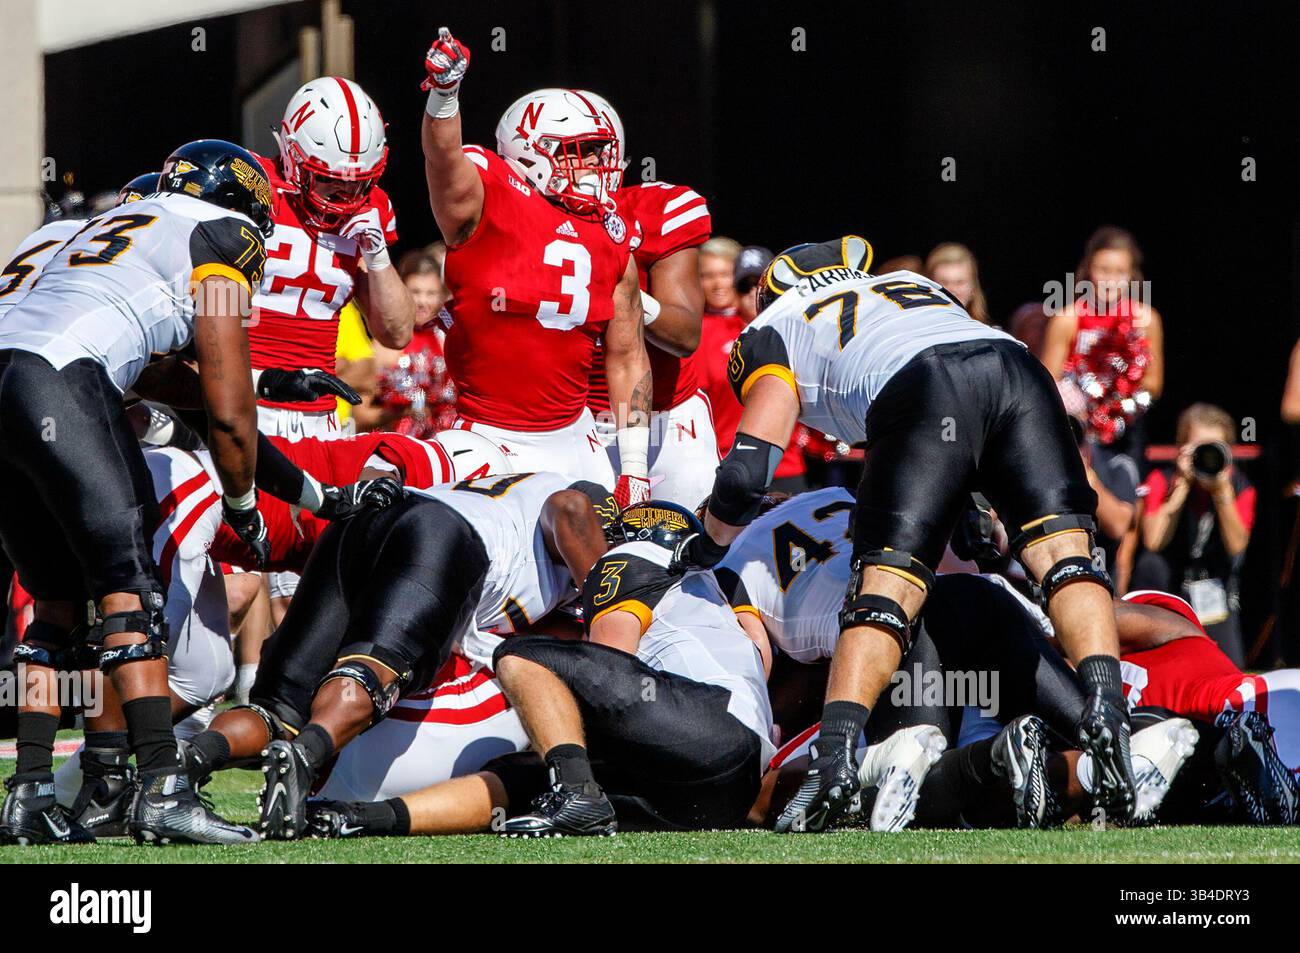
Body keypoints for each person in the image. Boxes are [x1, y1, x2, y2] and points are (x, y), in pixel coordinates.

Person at [680, 235, 1136, 831]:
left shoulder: (775, 324)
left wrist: (707, 544)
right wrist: (970, 494)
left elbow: (746, 475)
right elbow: (968, 373)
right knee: (1066, 556)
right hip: (1016, 366)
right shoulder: (915, 286)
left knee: (886, 587)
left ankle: (835, 764)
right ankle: (1109, 719)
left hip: (921, 386)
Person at [0, 140, 275, 845]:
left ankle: (28, 792)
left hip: (16, 373)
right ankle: (162, 787)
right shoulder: (222, 234)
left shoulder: (72, 229)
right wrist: (245, 504)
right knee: (127, 587)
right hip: (59, 376)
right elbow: (227, 406)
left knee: (52, 601)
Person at [421, 28, 652, 503]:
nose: (595, 163)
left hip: (575, 437)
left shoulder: (610, 232)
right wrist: (445, 95)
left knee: (602, 572)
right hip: (487, 434)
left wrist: (634, 466)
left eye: (600, 151)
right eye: (582, 151)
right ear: (530, 148)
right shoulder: (490, 193)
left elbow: (627, 355)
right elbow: (442, 159)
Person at [250, 75, 413, 443]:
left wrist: (377, 256)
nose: (346, 195)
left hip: (321, 419)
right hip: (247, 401)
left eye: (359, 182)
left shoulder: (372, 209)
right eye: (329, 180)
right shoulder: (250, 186)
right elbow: (204, 297)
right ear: (292, 154)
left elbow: (397, 332)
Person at [586, 99, 718, 509]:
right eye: (567, 150)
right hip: (575, 424)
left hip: (668, 420)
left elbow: (684, 334)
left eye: (592, 148)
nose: (584, 162)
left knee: (693, 554)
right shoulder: (520, 220)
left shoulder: (655, 211)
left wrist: (624, 295)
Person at [1137, 403, 1255, 665]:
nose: (1206, 457)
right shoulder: (1162, 479)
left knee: (1228, 672)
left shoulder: (1239, 486)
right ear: (1182, 449)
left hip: (1213, 588)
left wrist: (1221, 491)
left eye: (1214, 449)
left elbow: (1237, 546)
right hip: (1168, 586)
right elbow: (1154, 541)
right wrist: (1181, 488)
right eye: (1199, 448)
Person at [1041, 226, 1164, 462]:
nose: (1110, 280)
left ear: (1132, 275)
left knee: (1127, 496)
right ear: (1088, 269)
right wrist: (1082, 396)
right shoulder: (1068, 318)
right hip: (1075, 428)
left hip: (1125, 428)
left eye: (1119, 271)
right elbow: (1046, 383)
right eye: (1103, 270)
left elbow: (1155, 384)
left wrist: (1116, 394)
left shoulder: (1146, 319)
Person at [697, 243, 809, 492]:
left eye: (760, 284)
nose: (753, 293)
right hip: (730, 464)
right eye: (744, 286)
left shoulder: (800, 331)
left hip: (787, 467)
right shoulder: (707, 334)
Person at [923, 242, 989, 324]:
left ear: (973, 288)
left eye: (959, 283)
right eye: (944, 282)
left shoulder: (990, 334)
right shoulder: (913, 330)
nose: (951, 291)